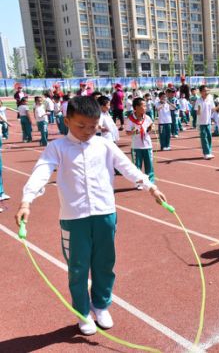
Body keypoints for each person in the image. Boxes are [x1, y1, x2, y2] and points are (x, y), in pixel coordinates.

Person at [15, 96, 167, 336]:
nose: (87, 131)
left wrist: (150, 186)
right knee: (78, 267)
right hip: (74, 219)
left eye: (93, 126)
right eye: (80, 125)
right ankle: (82, 311)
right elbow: (42, 171)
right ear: (66, 121)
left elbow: (127, 166)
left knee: (104, 264)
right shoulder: (57, 147)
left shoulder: (104, 145)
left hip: (105, 214)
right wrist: (27, 199)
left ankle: (101, 305)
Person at [126, 97, 154, 189]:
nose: (145, 108)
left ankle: (150, 181)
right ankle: (139, 183)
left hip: (147, 145)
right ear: (136, 107)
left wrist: (151, 128)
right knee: (137, 166)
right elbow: (127, 132)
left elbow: (150, 127)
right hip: (136, 146)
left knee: (149, 165)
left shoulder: (147, 118)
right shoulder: (130, 119)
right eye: (143, 106)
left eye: (146, 106)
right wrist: (134, 132)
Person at [196, 85, 217, 160]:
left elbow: (213, 109)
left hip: (208, 121)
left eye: (207, 90)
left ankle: (209, 152)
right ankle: (206, 153)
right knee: (204, 138)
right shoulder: (198, 100)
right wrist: (198, 110)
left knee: (209, 137)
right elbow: (197, 113)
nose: (206, 92)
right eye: (205, 91)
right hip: (201, 122)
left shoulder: (210, 99)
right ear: (201, 92)